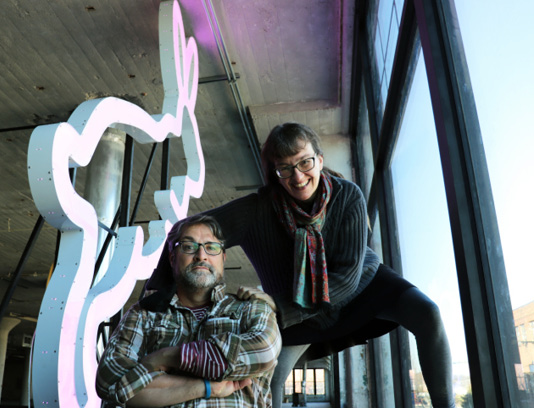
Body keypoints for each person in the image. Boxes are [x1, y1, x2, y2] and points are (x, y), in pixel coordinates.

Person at [146, 123, 455, 408]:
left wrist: (275, 307)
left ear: (319, 159)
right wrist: (160, 291)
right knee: (272, 377)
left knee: (427, 313)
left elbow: (347, 278)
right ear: (274, 173)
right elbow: (187, 229)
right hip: (296, 304)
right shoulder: (256, 210)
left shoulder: (348, 196)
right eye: (285, 168)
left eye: (305, 162)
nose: (297, 176)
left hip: (360, 285)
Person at [96, 214, 282, 407]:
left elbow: (264, 352)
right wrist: (208, 387)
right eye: (188, 246)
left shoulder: (251, 308)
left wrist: (165, 357)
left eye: (211, 247)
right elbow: (109, 382)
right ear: (172, 257)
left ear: (223, 258)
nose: (201, 255)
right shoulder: (143, 314)